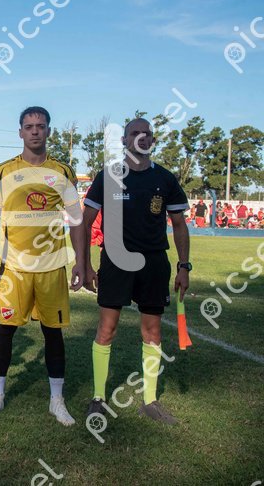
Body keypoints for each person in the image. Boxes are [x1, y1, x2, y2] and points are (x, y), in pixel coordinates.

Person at [0, 106, 86, 425]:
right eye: (29, 126)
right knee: (5, 330)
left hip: (52, 268)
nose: (35, 131)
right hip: (14, 268)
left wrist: (80, 261)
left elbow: (76, 220)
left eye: (40, 126)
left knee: (53, 334)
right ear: (20, 132)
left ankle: (57, 401)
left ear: (48, 130)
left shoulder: (63, 171)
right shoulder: (5, 171)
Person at [83, 118, 190, 424]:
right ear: (124, 141)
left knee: (152, 331)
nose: (141, 137)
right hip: (116, 261)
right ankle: (98, 398)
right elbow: (85, 222)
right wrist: (86, 264)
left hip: (154, 263)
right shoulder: (109, 176)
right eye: (134, 133)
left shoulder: (165, 179)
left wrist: (184, 266)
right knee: (106, 329)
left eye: (147, 134)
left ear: (152, 141)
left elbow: (179, 225)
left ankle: (151, 400)